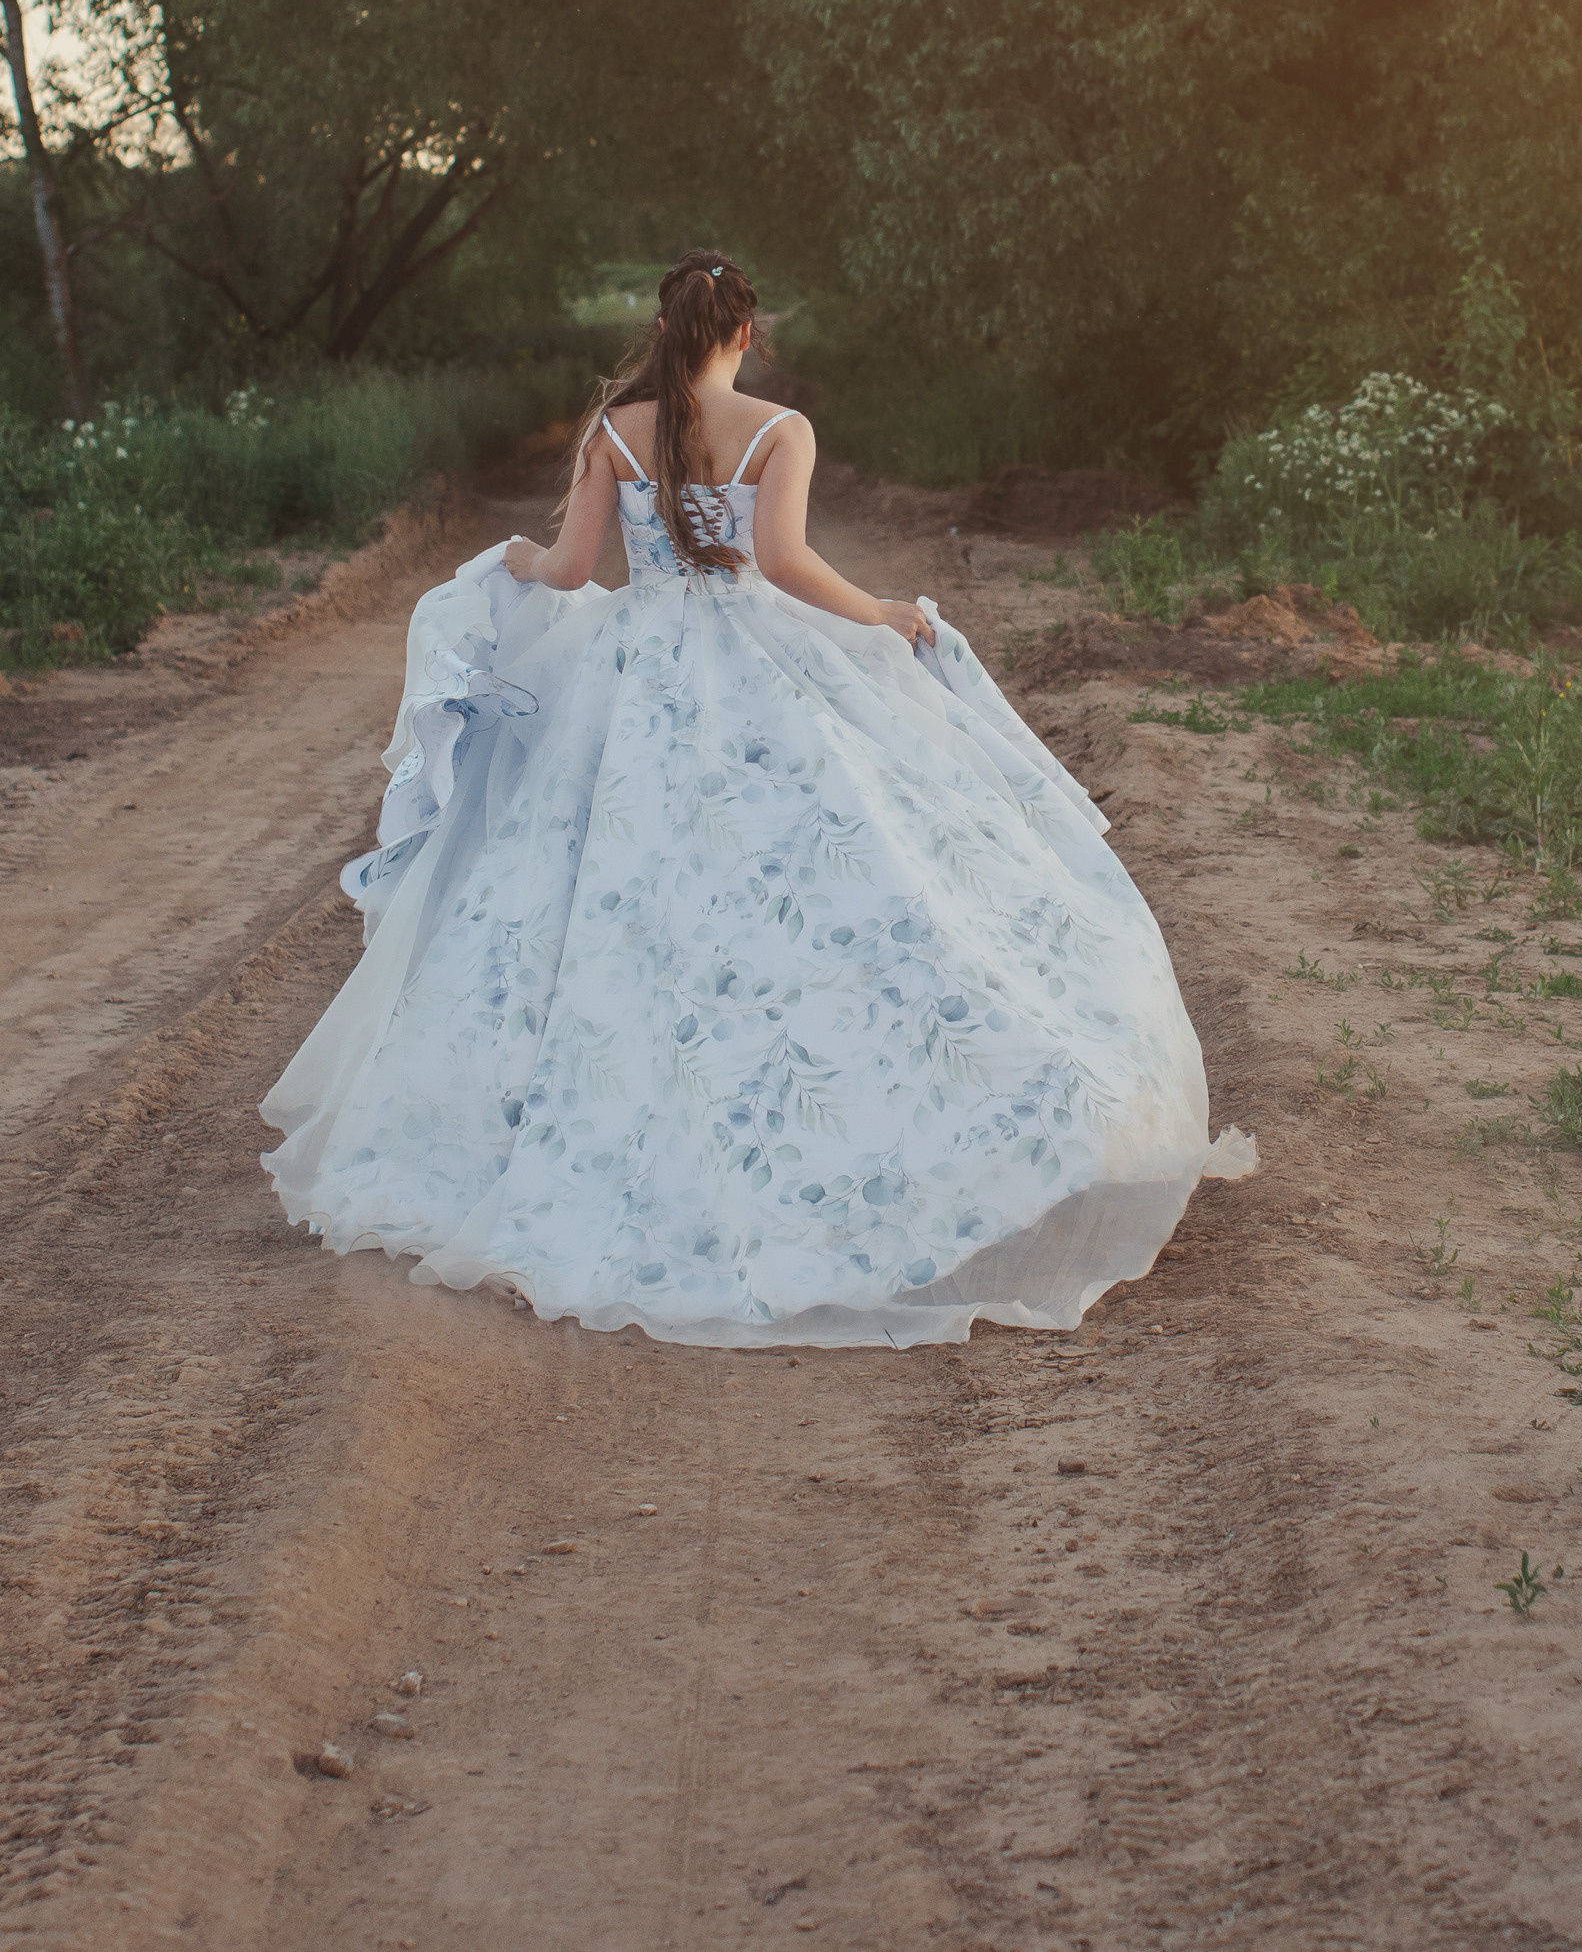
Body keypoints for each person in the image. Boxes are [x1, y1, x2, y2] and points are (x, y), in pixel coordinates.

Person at [261, 251, 1254, 1345]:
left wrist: (515, 561)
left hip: (636, 669)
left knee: (600, 884)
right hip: (752, 658)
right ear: (746, 333)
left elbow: (573, 569)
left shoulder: (614, 430)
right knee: (834, 864)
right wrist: (879, 611)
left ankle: (554, 1127)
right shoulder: (780, 429)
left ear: (663, 328)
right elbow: (781, 562)